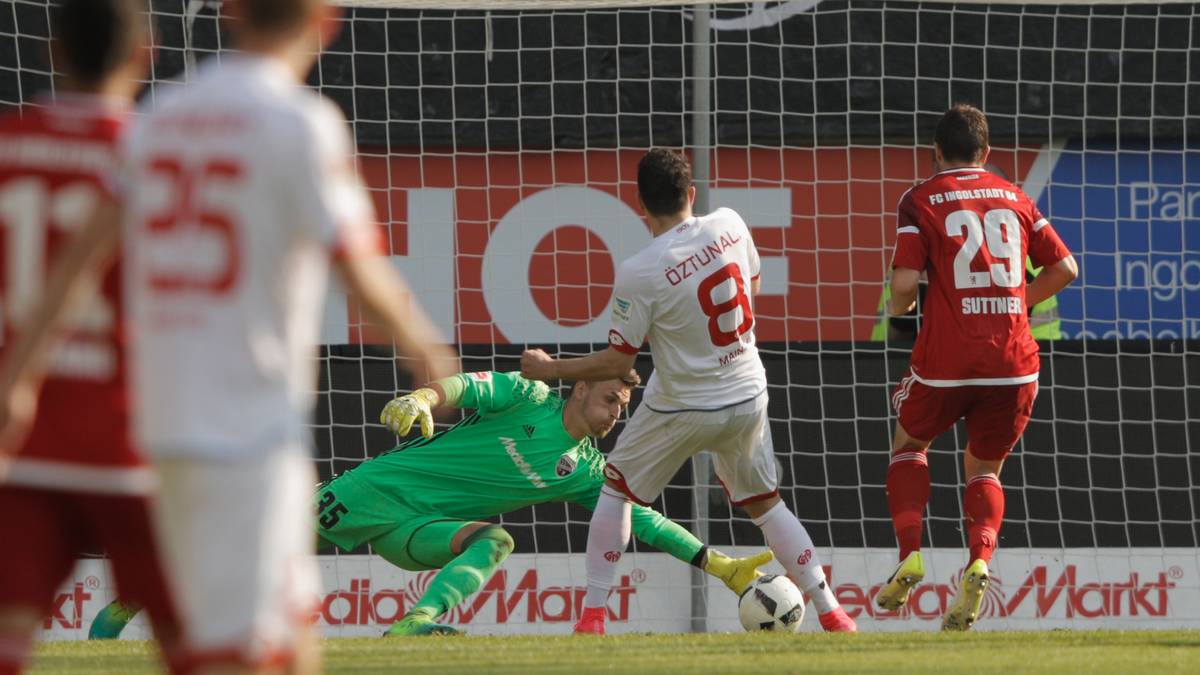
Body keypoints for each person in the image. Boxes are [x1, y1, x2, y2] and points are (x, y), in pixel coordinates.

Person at [0, 0, 457, 671]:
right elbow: (359, 268)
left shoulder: (162, 115)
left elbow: (79, 260)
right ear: (325, 22)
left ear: (231, 14)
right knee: (232, 650)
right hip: (246, 431)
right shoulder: (299, 122)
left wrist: (22, 373)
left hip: (158, 426)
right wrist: (426, 349)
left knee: (292, 622)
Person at [89, 370, 775, 638]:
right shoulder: (528, 398)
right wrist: (421, 399)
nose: (615, 411)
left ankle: (413, 625)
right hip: (375, 492)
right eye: (608, 398)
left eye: (623, 405)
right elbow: (463, 386)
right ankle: (135, 594)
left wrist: (720, 565)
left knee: (493, 540)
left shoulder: (584, 469)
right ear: (578, 389)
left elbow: (641, 517)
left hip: (416, 529)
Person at [521, 148, 857, 635]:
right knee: (766, 504)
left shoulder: (640, 269)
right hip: (747, 393)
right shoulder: (730, 223)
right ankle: (833, 612)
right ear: (691, 194)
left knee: (616, 489)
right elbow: (752, 288)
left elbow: (618, 362)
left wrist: (551, 369)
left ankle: (592, 618)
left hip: (684, 404)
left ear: (639, 203)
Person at [0, 2, 183, 672]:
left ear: (52, 50)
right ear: (147, 51)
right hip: (129, 430)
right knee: (200, 640)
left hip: (21, 433)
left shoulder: (8, 144)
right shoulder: (160, 156)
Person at [872, 104, 1077, 631]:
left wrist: (903, 311)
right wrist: (1016, 300)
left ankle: (910, 555)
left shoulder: (919, 199)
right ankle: (980, 561)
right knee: (984, 469)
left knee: (909, 445)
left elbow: (901, 285)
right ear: (987, 153)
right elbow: (1066, 268)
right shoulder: (1016, 197)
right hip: (1013, 360)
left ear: (936, 152)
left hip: (948, 360)